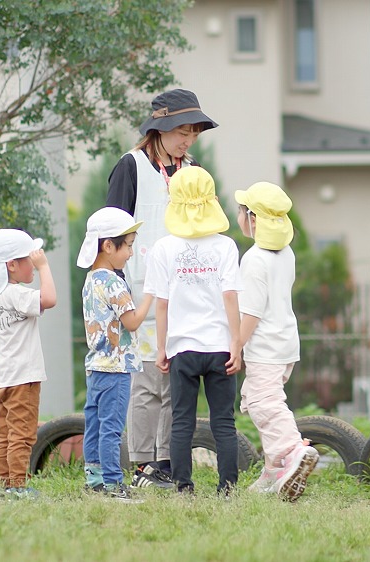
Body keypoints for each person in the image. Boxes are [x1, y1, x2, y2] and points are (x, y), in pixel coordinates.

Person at [106, 88, 219, 489]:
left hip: (186, 294)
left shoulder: (193, 171)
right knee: (146, 385)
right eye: (180, 130)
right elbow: (112, 232)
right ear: (159, 128)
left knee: (177, 385)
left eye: (193, 132)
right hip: (140, 292)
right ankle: (141, 465)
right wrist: (115, 292)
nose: (186, 139)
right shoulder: (131, 166)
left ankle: (167, 462)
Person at [143, 166, 242, 495]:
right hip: (220, 348)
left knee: (181, 421)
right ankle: (227, 488)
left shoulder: (163, 249)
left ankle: (183, 486)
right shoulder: (226, 247)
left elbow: (162, 304)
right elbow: (231, 298)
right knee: (223, 422)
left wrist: (161, 348)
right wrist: (237, 344)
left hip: (182, 348)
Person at [234, 182, 319, 501]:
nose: (239, 216)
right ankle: (273, 473)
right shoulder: (286, 253)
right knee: (263, 396)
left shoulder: (254, 259)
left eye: (242, 212)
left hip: (265, 346)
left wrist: (235, 347)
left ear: (253, 218)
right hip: (286, 344)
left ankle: (292, 450)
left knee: (262, 402)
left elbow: (251, 313)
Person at [76, 207, 153, 503]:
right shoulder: (113, 281)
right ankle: (112, 482)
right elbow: (131, 321)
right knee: (112, 427)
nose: (131, 253)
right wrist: (151, 297)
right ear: (108, 246)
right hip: (117, 367)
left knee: (94, 424)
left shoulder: (91, 280)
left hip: (96, 365)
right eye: (129, 246)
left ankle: (94, 478)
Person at [0, 228, 56, 501]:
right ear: (11, 265)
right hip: (23, 378)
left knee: (4, 434)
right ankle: (18, 487)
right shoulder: (15, 294)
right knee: (22, 435)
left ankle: (0, 484)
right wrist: (45, 267)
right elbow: (49, 299)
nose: (33, 263)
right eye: (29, 259)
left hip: (0, 380)